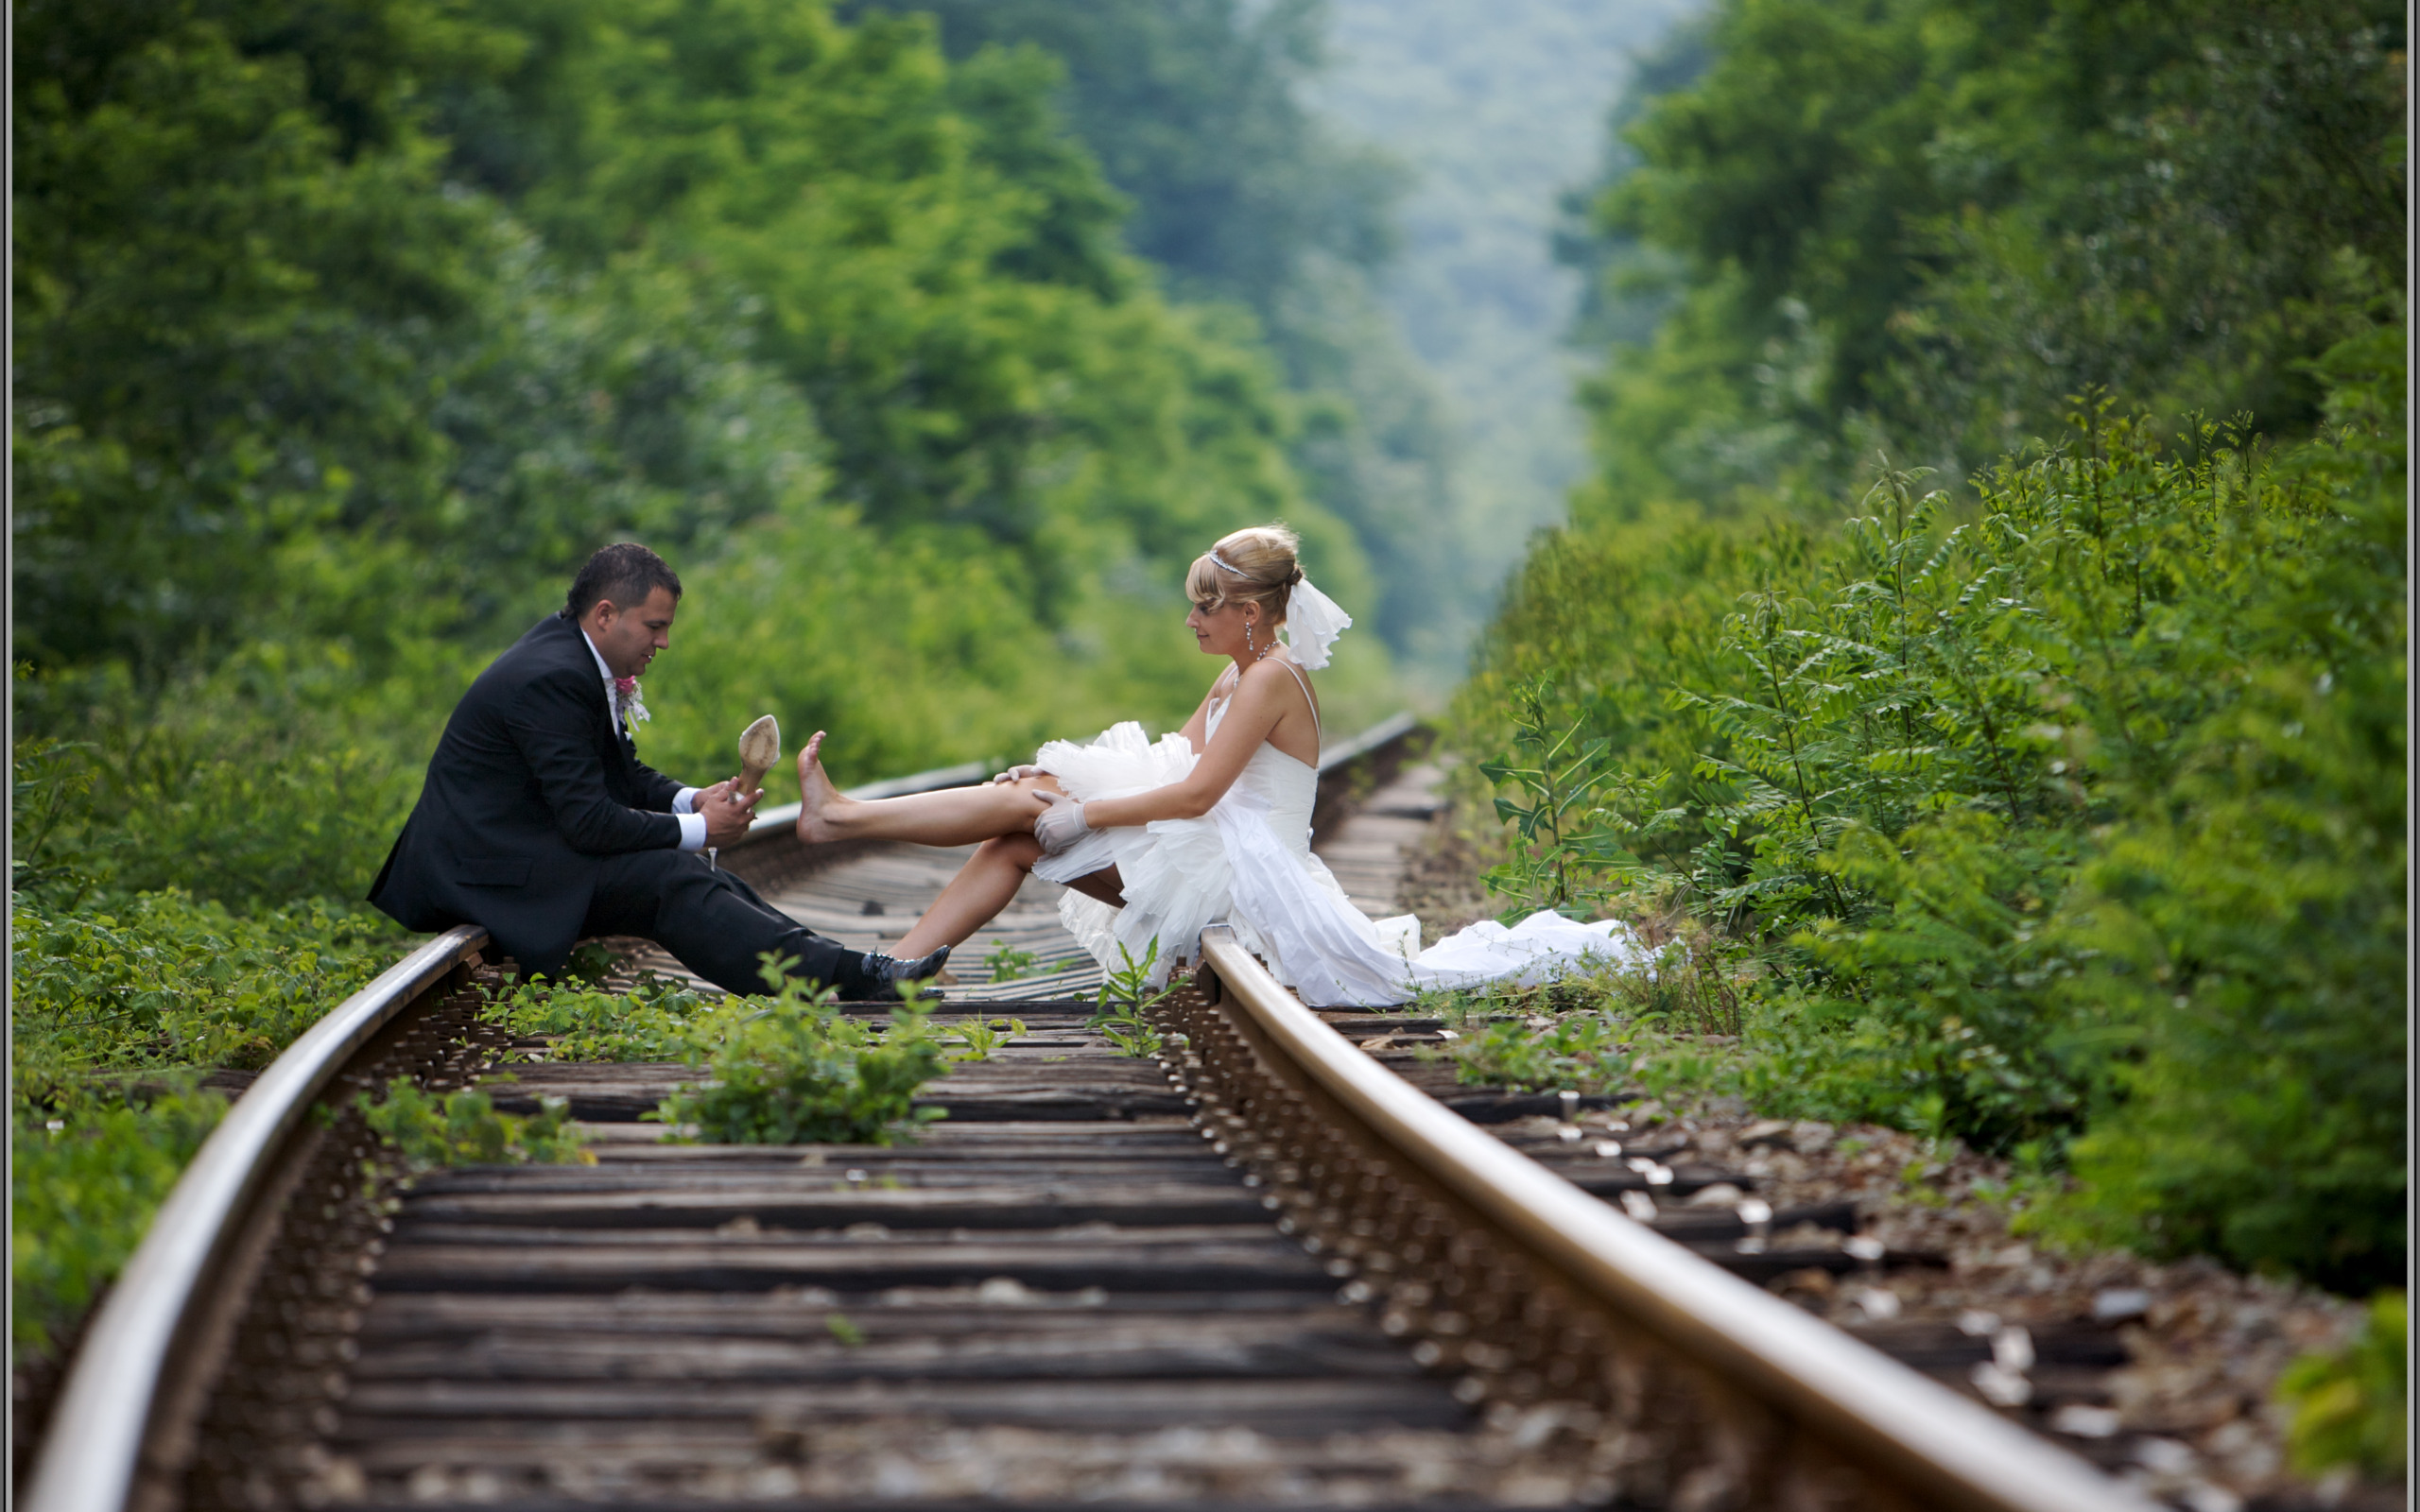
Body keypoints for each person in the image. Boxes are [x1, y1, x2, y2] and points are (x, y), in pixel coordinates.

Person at [789, 524, 1641, 1006]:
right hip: (1212, 848)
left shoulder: (1275, 678)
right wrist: (1068, 787)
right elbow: (1175, 757)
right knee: (1022, 826)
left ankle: (847, 821)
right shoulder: (1239, 671)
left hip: (1249, 874)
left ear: (1249, 612)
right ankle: (895, 964)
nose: (1193, 622)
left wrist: (1082, 811)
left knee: (1037, 815)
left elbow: (1197, 791)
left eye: (1206, 608)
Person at [369, 542, 949, 999]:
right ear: (605, 614)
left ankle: (848, 970)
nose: (664, 642)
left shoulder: (571, 656)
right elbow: (589, 823)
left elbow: (621, 774)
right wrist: (701, 833)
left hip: (515, 850)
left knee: (682, 874)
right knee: (669, 878)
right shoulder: (553, 677)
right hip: (484, 869)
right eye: (654, 626)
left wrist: (693, 800)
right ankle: (849, 975)